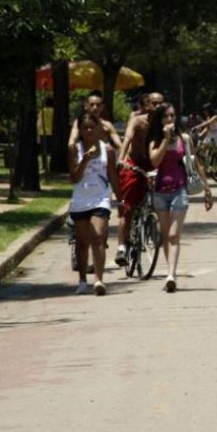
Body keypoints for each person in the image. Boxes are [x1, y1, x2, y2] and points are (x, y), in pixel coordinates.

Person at [148, 103, 214, 292]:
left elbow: (196, 163)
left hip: (180, 191)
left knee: (173, 235)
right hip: (160, 191)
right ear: (160, 120)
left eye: (172, 116)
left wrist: (207, 189)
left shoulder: (184, 139)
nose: (170, 119)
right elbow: (154, 161)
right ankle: (171, 272)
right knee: (165, 234)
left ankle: (171, 274)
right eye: (166, 116)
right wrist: (165, 139)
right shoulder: (155, 140)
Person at [68, 111, 121, 296]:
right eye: (85, 127)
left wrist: (121, 200)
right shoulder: (75, 149)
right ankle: (82, 281)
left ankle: (99, 279)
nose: (89, 130)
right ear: (80, 130)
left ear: (99, 128)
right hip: (80, 200)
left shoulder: (107, 150)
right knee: (82, 242)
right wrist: (84, 160)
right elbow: (73, 178)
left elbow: (113, 177)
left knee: (98, 236)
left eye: (93, 127)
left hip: (101, 198)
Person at [114, 92, 164, 266]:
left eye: (160, 104)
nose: (157, 107)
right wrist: (121, 159)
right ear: (146, 105)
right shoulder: (137, 121)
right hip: (133, 164)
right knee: (127, 209)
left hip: (152, 165)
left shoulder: (164, 124)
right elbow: (127, 139)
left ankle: (155, 228)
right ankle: (121, 247)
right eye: (154, 103)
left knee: (163, 198)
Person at [192, 103, 217, 177]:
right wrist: (201, 134)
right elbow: (207, 127)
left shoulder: (216, 117)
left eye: (205, 111)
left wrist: (197, 127)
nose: (204, 112)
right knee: (201, 150)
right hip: (210, 133)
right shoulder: (208, 117)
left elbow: (208, 123)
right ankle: (206, 165)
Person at [37, 96, 54, 173]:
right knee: (52, 150)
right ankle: (50, 165)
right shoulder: (54, 111)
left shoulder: (42, 111)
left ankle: (44, 166)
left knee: (43, 151)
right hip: (52, 133)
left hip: (43, 133)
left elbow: (39, 123)